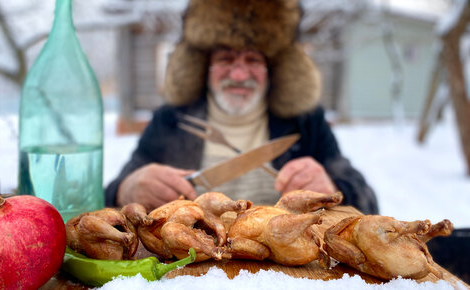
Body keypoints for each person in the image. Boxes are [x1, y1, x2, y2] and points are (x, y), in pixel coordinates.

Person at [106, 0, 379, 214]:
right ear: (204, 65)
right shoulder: (172, 120)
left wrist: (334, 190)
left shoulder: (304, 122)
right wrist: (127, 189)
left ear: (272, 67)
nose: (238, 75)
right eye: (226, 58)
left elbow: (368, 202)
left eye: (252, 60)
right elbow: (107, 198)